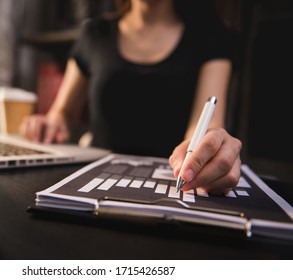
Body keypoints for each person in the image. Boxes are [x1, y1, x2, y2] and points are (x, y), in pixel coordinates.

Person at [19, 0, 242, 193]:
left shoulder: (210, 37)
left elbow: (205, 126)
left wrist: (210, 148)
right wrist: (50, 124)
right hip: (93, 183)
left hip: (170, 184)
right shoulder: (95, 34)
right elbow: (62, 112)